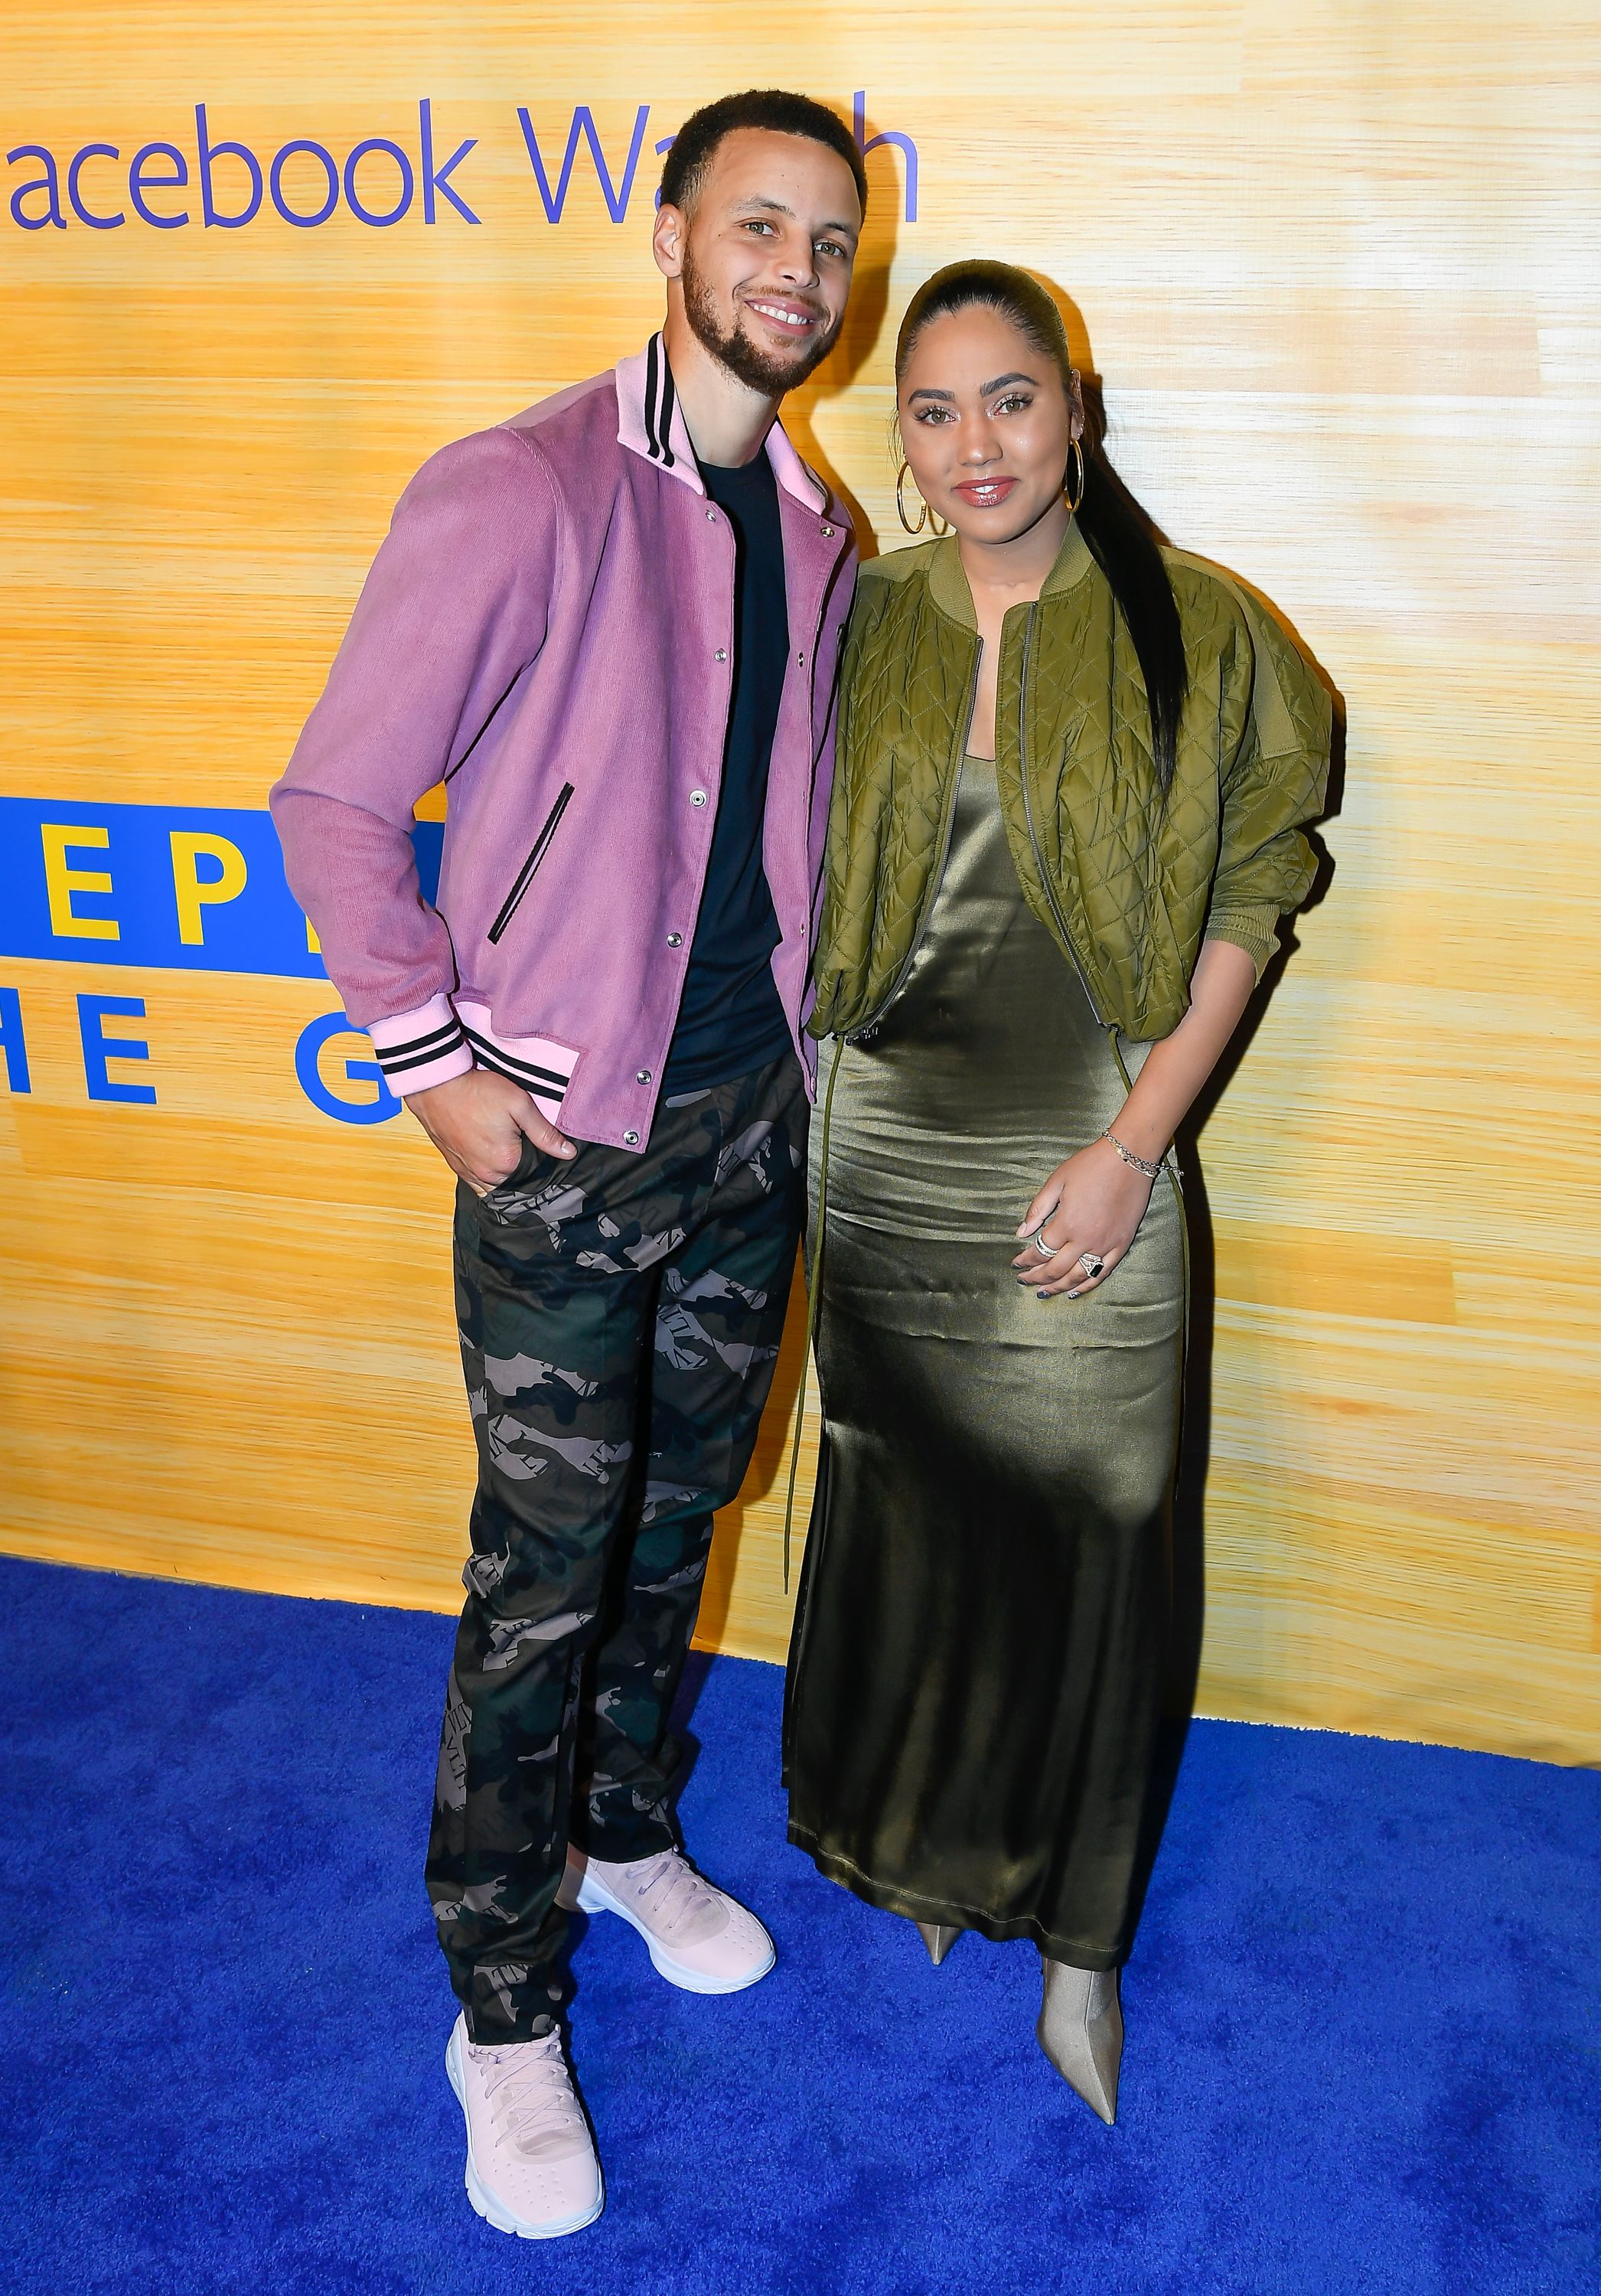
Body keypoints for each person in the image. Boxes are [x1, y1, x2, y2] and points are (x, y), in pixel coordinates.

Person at [271, 90, 863, 2240]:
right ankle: (498, 2007)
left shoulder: (817, 530)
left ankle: (626, 1839)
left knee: (678, 1519)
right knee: (539, 1577)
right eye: (757, 224)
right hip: (553, 1139)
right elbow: (339, 807)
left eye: (827, 238)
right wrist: (434, 1070)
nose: (792, 269)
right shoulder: (514, 485)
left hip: (739, 1132)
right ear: (669, 232)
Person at [784, 260, 1332, 2125]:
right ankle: (941, 1859)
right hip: (881, 1149)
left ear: (1073, 407)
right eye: (930, 413)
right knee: (918, 1521)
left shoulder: (1195, 623)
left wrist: (1133, 1149)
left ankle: (1082, 1945)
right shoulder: (859, 620)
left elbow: (1254, 899)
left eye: (1006, 400)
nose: (972, 446)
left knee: (1105, 1532)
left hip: (1095, 1138)